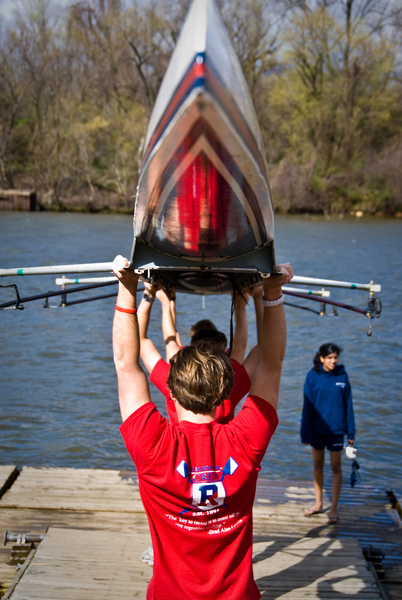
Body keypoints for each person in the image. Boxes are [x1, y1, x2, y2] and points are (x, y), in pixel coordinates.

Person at [112, 255, 293, 600]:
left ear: (171, 390)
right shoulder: (247, 439)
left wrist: (129, 288)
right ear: (227, 389)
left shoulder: (153, 446)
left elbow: (125, 363)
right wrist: (271, 292)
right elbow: (272, 362)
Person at [138, 281, 264, 426]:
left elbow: (157, 339)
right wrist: (253, 299)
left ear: (192, 345)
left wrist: (158, 299)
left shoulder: (175, 379)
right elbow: (258, 346)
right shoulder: (230, 381)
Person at [301, 342, 356, 525]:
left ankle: (333, 507)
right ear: (322, 358)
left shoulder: (342, 375)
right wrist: (305, 433)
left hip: (336, 431)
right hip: (317, 430)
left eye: (335, 358)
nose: (333, 361)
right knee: (317, 464)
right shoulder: (312, 375)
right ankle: (318, 504)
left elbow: (349, 405)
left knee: (335, 467)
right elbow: (307, 407)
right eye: (330, 358)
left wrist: (351, 432)